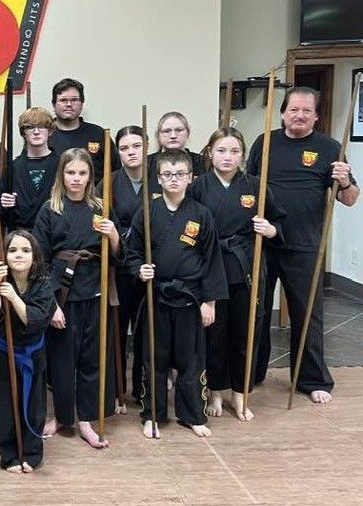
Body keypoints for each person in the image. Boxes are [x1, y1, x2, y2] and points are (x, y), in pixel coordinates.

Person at [247, 86, 360, 404]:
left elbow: (350, 200)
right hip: (264, 241)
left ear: (316, 116)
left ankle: (311, 379)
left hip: (306, 244)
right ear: (283, 112)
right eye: (294, 109)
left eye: (306, 111)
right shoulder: (264, 142)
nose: (299, 115)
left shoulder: (330, 148)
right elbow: (247, 186)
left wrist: (345, 181)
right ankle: (251, 373)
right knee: (256, 312)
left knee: (307, 314)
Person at [126, 149, 227, 439]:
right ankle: (153, 415)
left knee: (191, 361)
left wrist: (209, 302)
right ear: (158, 178)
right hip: (156, 296)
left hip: (189, 299)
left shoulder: (201, 214)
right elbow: (131, 253)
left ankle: (193, 415)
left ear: (190, 178)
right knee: (154, 359)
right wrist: (139, 269)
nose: (174, 179)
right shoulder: (146, 212)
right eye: (167, 174)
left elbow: (211, 260)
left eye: (180, 174)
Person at [189, 127, 285, 421]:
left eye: (234, 151)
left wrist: (270, 230)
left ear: (243, 155)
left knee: (245, 332)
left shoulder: (256, 185)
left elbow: (279, 221)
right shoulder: (198, 186)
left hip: (246, 267)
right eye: (221, 151)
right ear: (209, 153)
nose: (227, 157)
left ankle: (241, 395)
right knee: (214, 334)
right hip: (211, 266)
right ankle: (215, 391)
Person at [32, 148, 119, 449]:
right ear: (62, 175)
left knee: (91, 358)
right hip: (61, 294)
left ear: (90, 176)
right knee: (61, 360)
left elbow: (118, 256)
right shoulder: (50, 209)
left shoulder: (101, 209)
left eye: (82, 173)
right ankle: (62, 416)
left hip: (94, 291)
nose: (76, 179)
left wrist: (114, 236)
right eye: (71, 173)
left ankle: (85, 419)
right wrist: (51, 304)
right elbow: (38, 261)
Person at [0, 230, 54, 473]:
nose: (18, 255)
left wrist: (14, 298)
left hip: (32, 354)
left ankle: (31, 453)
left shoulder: (43, 284)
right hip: (3, 353)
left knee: (34, 405)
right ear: (4, 256)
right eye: (12, 250)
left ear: (35, 256)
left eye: (25, 250)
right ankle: (9, 454)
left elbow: (35, 319)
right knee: (5, 405)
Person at [106, 126, 147, 406]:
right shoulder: (108, 183)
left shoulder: (160, 179)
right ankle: (117, 391)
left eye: (136, 146)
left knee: (145, 332)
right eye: (124, 148)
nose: (130, 152)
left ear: (146, 146)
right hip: (118, 268)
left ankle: (144, 390)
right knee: (117, 331)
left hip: (150, 268)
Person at [47, 78, 119, 183]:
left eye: (74, 100)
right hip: (53, 198)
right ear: (54, 104)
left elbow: (116, 173)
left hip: (93, 198)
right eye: (63, 100)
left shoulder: (99, 134)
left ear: (82, 104)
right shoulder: (43, 135)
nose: (69, 104)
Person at [0, 107, 59, 230]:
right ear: (23, 133)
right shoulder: (13, 168)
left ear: (50, 131)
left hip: (55, 236)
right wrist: (3, 204)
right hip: (20, 237)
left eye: (42, 126)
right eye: (30, 127)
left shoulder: (62, 164)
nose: (36, 132)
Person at [146, 111, 205, 194]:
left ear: (188, 133)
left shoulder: (201, 162)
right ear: (158, 135)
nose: (173, 136)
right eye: (166, 131)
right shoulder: (146, 163)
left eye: (179, 130)